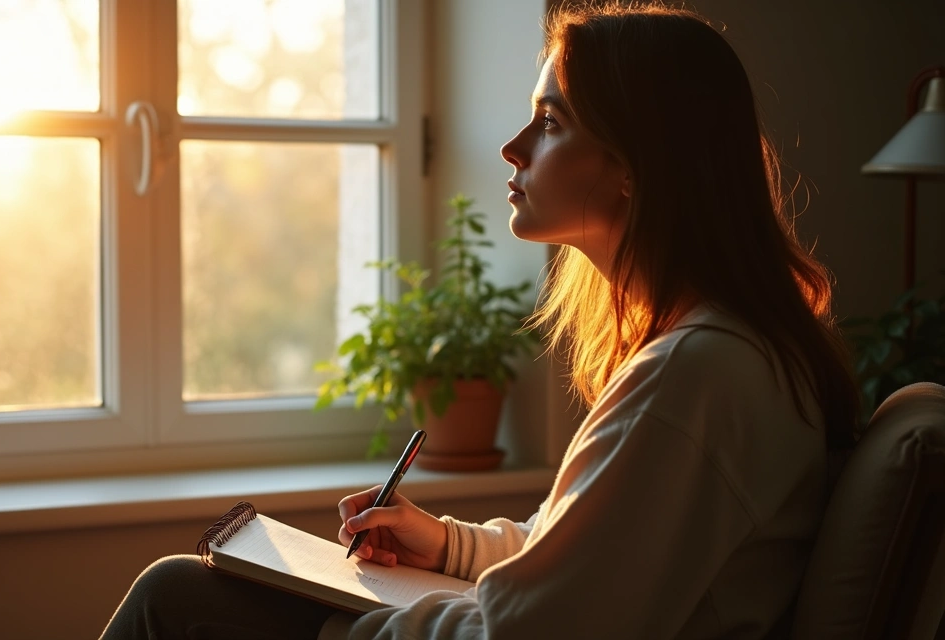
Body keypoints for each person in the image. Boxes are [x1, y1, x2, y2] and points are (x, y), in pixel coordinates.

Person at [100, 2, 859, 638]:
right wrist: (447, 545)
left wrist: (345, 625)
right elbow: (580, 560)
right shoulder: (725, 355)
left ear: (631, 166)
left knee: (176, 597)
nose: (512, 147)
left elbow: (530, 633)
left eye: (550, 123)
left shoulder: (695, 376)